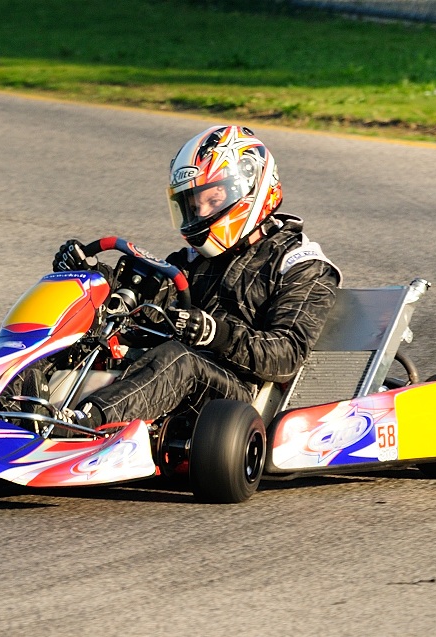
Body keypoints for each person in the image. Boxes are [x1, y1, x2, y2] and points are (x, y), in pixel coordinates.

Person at [53, 125, 342, 429]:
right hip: (162, 369)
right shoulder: (193, 260)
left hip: (235, 398)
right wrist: (93, 276)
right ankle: (10, 402)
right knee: (77, 323)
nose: (201, 212)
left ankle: (83, 424)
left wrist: (215, 334)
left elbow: (286, 355)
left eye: (212, 200)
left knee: (181, 359)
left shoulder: (300, 264)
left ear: (249, 187)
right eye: (193, 204)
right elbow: (146, 299)